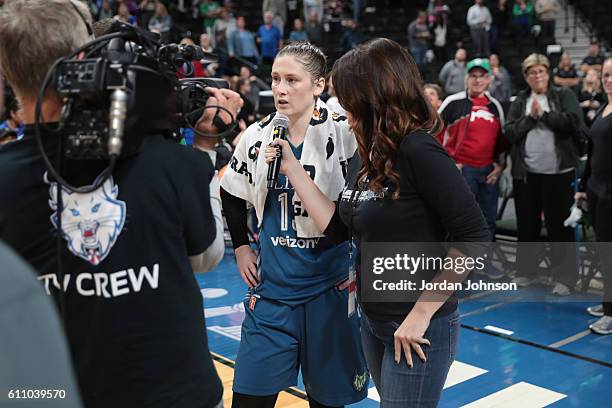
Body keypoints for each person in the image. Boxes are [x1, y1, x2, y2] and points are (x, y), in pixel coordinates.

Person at [0, 1, 242, 407]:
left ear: (7, 73)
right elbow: (206, 255)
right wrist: (203, 148)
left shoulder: (5, 177)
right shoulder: (166, 158)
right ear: (84, 58)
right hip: (180, 393)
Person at [263, 37, 489, 408]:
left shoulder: (419, 150)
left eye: (346, 97)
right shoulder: (367, 152)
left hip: (418, 327)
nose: (339, 106)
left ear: (372, 96)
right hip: (373, 321)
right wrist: (291, 167)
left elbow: (474, 236)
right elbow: (340, 228)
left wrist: (421, 314)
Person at [220, 42, 369, 408]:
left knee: (327, 401)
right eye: (274, 79)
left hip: (330, 292)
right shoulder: (256, 136)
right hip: (272, 294)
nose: (280, 89)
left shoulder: (344, 134)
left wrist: (293, 169)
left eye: (292, 80)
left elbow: (345, 226)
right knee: (248, 400)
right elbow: (230, 193)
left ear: (318, 85)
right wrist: (241, 247)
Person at [504, 53, 583, 295]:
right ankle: (527, 271)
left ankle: (565, 278)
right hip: (528, 173)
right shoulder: (520, 100)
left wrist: (545, 116)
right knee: (527, 225)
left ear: (548, 73)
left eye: (541, 71)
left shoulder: (563, 95)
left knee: (559, 227)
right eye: (531, 72)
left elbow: (574, 122)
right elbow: (509, 132)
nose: (537, 76)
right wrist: (530, 119)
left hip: (560, 173)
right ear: (526, 77)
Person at [438, 58, 506, 259]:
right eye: (473, 76)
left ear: (489, 80)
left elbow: (502, 141)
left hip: (488, 173)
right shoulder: (453, 103)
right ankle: (457, 268)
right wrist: (449, 165)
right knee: (461, 221)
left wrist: (500, 166)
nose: (477, 80)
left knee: (487, 220)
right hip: (462, 171)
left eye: (482, 76)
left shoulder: (495, 106)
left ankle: (482, 263)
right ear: (467, 78)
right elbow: (433, 135)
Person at [576, 57, 612, 335]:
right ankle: (607, 303)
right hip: (597, 191)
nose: (608, 80)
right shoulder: (603, 107)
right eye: (605, 75)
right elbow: (592, 153)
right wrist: (582, 186)